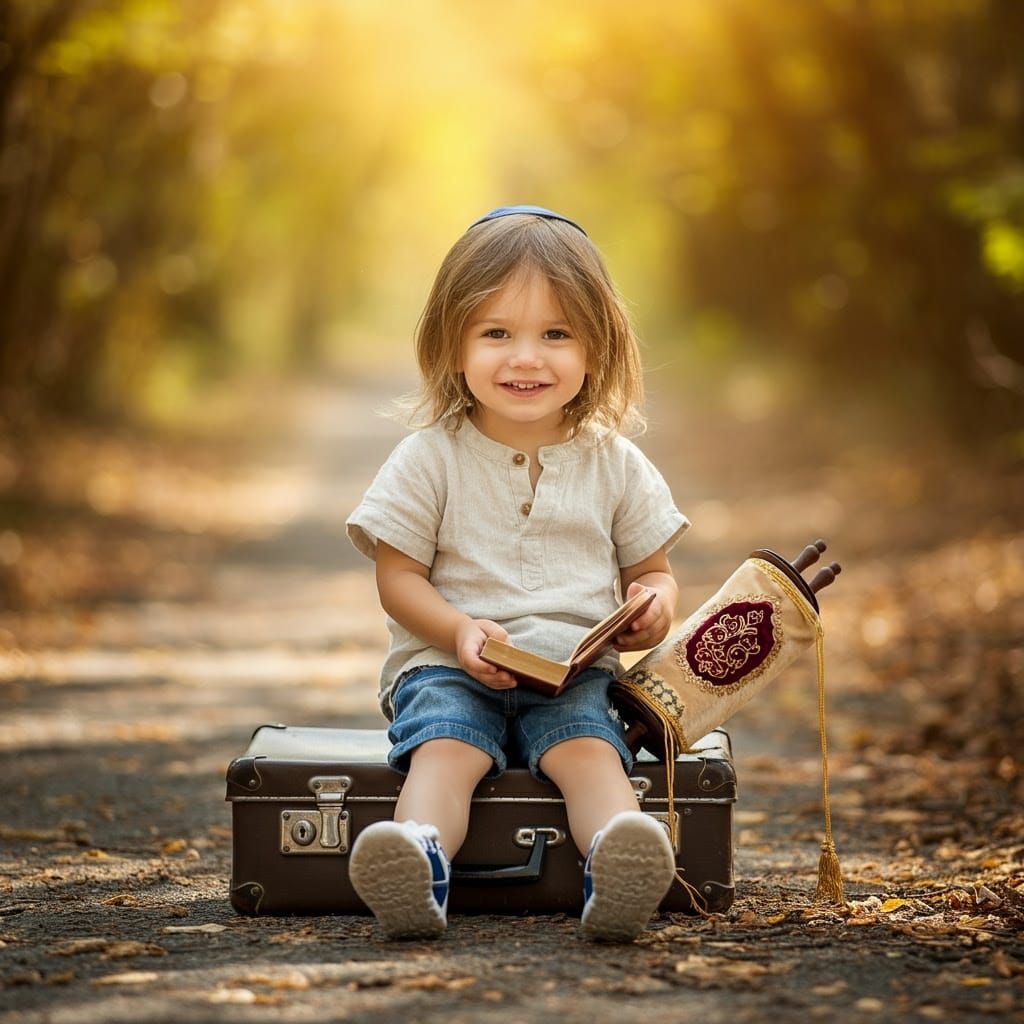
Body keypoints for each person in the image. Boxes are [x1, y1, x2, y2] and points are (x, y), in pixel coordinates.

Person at [345, 204, 689, 942]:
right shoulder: (429, 455)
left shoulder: (614, 461)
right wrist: (460, 629)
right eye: (496, 333)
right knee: (448, 749)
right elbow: (397, 578)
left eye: (555, 334)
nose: (525, 358)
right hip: (448, 663)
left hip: (571, 671)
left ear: (597, 348)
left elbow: (655, 572)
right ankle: (417, 863)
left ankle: (618, 863)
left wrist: (653, 606)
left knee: (590, 752)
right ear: (453, 343)